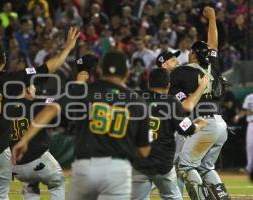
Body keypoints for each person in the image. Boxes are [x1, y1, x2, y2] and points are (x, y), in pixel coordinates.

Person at [0, 27, 79, 199]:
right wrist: (67, 48)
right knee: (0, 194)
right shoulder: (12, 80)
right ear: (3, 61)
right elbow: (49, 67)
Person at [12, 51, 152, 200]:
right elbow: (144, 151)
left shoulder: (84, 91)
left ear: (101, 70)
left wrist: (25, 139)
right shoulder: (137, 102)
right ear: (127, 73)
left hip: (86, 166)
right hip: (117, 169)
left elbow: (52, 109)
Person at [169, 7, 230, 199]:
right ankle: (222, 197)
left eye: (190, 52)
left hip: (203, 122)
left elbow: (183, 103)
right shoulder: (214, 66)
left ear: (194, 54)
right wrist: (212, 19)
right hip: (220, 124)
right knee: (205, 166)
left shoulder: (182, 72)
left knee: (185, 166)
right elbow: (214, 43)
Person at [132, 68, 209, 200]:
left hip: (139, 162)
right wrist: (200, 124)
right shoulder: (171, 102)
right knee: (172, 197)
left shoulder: (135, 99)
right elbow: (187, 129)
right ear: (168, 86)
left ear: (149, 84)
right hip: (162, 163)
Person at [234, 93, 253, 181]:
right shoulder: (249, 97)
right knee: (250, 146)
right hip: (251, 124)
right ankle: (249, 168)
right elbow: (245, 111)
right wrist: (238, 116)